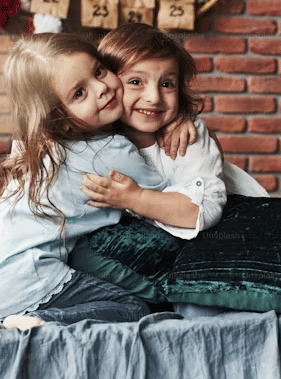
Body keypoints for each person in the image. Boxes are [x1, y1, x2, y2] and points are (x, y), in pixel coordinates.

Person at [0, 33, 184, 330]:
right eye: (80, 93)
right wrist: (176, 121)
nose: (101, 88)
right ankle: (39, 321)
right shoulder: (112, 150)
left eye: (99, 71)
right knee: (133, 307)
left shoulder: (36, 147)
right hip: (24, 280)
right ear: (61, 119)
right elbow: (165, 197)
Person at [80, 24, 268, 241]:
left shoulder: (185, 136)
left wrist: (134, 198)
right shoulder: (95, 140)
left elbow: (200, 211)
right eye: (135, 82)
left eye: (167, 84)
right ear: (108, 85)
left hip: (240, 228)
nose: (154, 97)